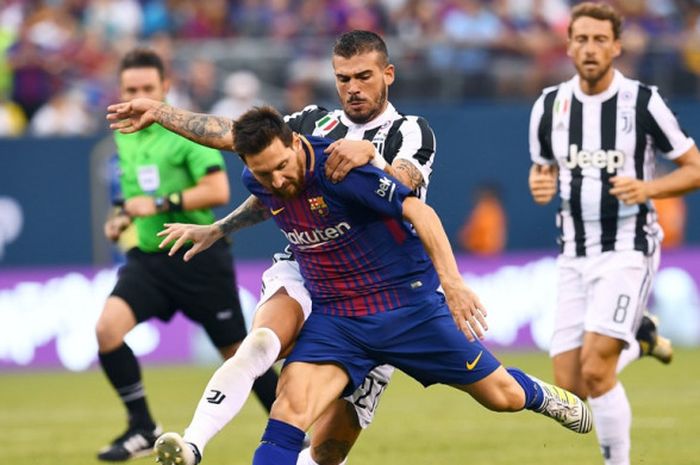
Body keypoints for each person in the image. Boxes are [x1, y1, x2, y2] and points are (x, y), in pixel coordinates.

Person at [160, 106, 593, 465]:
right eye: (263, 173)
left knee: (504, 396)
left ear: (296, 143)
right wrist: (218, 225)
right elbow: (233, 147)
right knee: (289, 413)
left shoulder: (342, 169)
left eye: (280, 167)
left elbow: (420, 213)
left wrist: (454, 284)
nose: (275, 181)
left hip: (408, 310)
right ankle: (199, 441)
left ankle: (539, 394)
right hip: (338, 319)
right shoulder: (260, 176)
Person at [108, 31, 437, 465]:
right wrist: (160, 112)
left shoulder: (410, 131)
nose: (353, 87)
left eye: (363, 76)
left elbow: (401, 190)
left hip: (376, 291)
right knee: (261, 341)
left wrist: (369, 158)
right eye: (343, 78)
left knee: (328, 451)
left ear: (387, 74)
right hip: (307, 264)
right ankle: (192, 444)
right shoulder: (313, 123)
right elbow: (240, 142)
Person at [527, 3, 700, 465]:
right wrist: (539, 183)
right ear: (568, 45)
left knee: (598, 369)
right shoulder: (549, 105)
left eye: (599, 39)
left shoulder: (643, 102)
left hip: (628, 247)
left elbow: (694, 168)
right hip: (573, 253)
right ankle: (640, 341)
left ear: (616, 46)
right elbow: (542, 172)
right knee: (571, 379)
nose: (589, 48)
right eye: (581, 39)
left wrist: (648, 187)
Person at [95, 48, 278, 462]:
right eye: (131, 89)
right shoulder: (126, 136)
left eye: (147, 88)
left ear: (165, 89)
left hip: (198, 257)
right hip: (149, 259)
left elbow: (218, 192)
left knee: (239, 354)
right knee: (107, 331)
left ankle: (292, 429)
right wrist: (121, 217)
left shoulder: (186, 132)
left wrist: (161, 203)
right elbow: (132, 196)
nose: (138, 95)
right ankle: (142, 427)